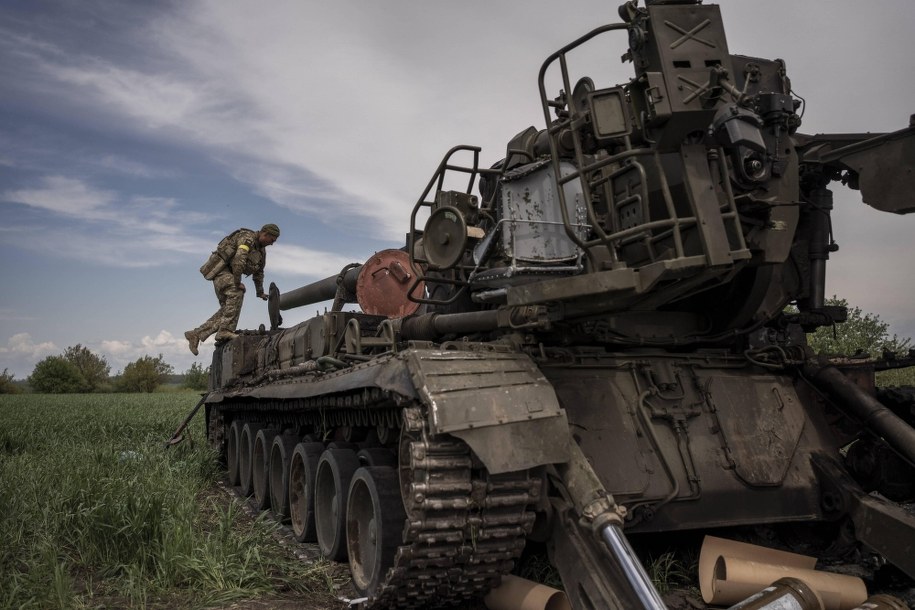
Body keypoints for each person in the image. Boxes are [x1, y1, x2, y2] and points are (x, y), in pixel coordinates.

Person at [184, 223, 280, 355]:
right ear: (265, 234)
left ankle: (195, 334)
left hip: (230, 274)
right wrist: (237, 282)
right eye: (272, 240)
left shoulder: (261, 252)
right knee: (237, 291)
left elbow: (259, 273)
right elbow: (238, 260)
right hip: (221, 271)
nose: (272, 244)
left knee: (228, 311)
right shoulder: (247, 238)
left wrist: (260, 292)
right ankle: (224, 331)